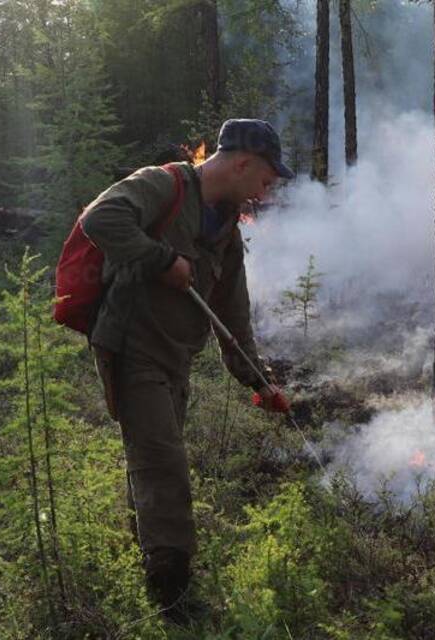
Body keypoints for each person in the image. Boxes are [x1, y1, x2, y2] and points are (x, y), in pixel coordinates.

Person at [79, 118, 294, 622]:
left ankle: (151, 563)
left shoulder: (227, 230)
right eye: (265, 179)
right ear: (242, 163)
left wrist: (259, 382)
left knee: (154, 463)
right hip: (133, 350)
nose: (265, 192)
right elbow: (99, 219)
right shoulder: (163, 184)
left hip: (176, 360)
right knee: (165, 465)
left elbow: (233, 318)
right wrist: (160, 260)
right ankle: (173, 599)